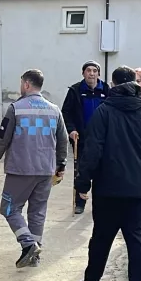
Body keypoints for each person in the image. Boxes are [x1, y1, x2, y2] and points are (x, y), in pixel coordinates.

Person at [72, 67, 141, 281]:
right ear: (135, 84)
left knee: (102, 237)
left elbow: (91, 152)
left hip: (108, 190)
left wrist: (82, 184)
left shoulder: (103, 113)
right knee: (137, 240)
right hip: (139, 190)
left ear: (113, 85)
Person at [0, 69, 68, 269]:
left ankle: (28, 244)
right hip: (45, 170)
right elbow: (63, 140)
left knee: (9, 208)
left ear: (26, 84)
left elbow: (2, 139)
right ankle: (35, 254)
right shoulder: (54, 110)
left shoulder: (16, 108)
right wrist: (61, 165)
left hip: (20, 169)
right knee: (38, 212)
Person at [61, 60, 108, 215]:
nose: (92, 73)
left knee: (102, 172)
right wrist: (71, 130)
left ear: (99, 74)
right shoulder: (75, 91)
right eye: (88, 70)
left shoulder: (106, 90)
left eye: (95, 70)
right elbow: (66, 113)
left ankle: (100, 203)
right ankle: (79, 203)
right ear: (83, 73)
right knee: (81, 171)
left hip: (102, 139)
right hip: (81, 139)